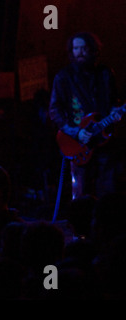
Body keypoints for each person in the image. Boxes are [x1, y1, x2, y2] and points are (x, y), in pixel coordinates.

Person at [49, 31, 125, 200]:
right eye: (76, 48)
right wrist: (76, 132)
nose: (80, 52)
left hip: (105, 142)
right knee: (82, 195)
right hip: (80, 142)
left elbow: (113, 101)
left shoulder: (105, 73)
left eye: (84, 48)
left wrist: (115, 112)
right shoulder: (63, 77)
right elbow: (55, 111)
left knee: (109, 192)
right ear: (71, 51)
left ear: (93, 50)